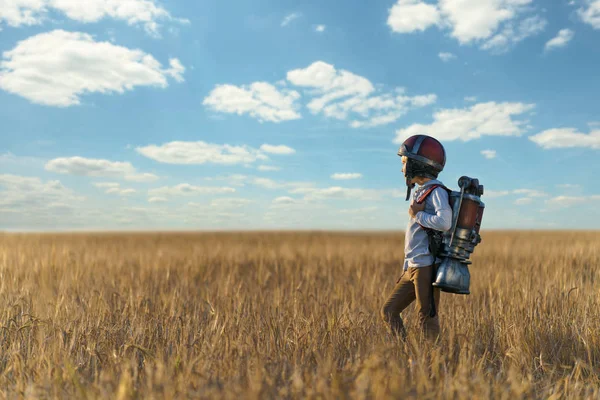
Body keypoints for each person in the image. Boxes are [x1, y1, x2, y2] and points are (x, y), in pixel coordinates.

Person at [381, 135, 452, 341]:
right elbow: (415, 236)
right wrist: (405, 267)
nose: (402, 168)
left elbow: (444, 222)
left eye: (404, 163)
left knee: (426, 319)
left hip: (425, 267)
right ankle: (406, 355)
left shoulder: (436, 191)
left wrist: (418, 215)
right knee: (388, 311)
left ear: (417, 164)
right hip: (413, 266)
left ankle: (434, 366)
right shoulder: (420, 193)